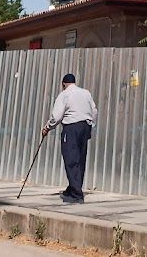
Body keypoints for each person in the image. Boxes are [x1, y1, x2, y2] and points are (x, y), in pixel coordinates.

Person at [42, 72, 98, 204]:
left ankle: (76, 195)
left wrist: (47, 128)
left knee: (71, 159)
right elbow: (94, 111)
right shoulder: (86, 93)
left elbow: (56, 116)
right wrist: (91, 126)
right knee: (80, 159)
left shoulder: (64, 94)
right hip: (85, 126)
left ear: (63, 84)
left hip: (71, 127)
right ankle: (74, 187)